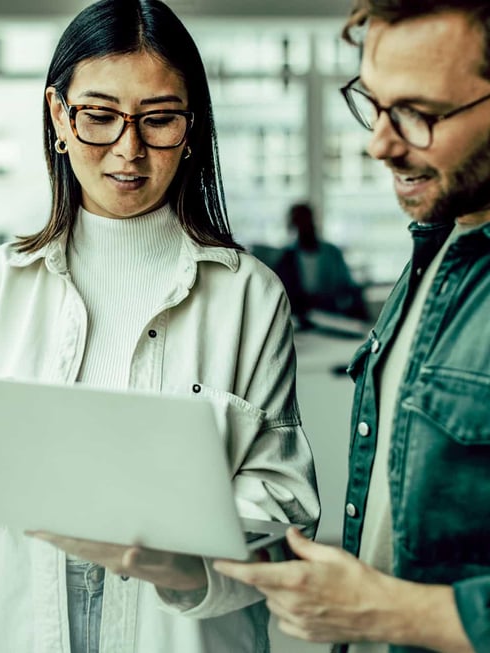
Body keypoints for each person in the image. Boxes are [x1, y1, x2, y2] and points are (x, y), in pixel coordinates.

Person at [0, 1, 320, 652]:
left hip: (184, 630)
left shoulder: (248, 297)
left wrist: (177, 555)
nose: (128, 149)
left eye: (159, 119)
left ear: (192, 127)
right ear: (59, 116)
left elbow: (283, 503)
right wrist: (9, 441)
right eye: (99, 115)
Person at [214, 2, 490, 653]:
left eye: (418, 113)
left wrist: (390, 612)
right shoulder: (439, 248)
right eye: (373, 103)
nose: (379, 143)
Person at [272, 202, 369, 324]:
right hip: (301, 320)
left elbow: (347, 286)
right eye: (298, 223)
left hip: (331, 316)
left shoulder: (332, 253)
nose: (303, 227)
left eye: (306, 221)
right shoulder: (287, 257)